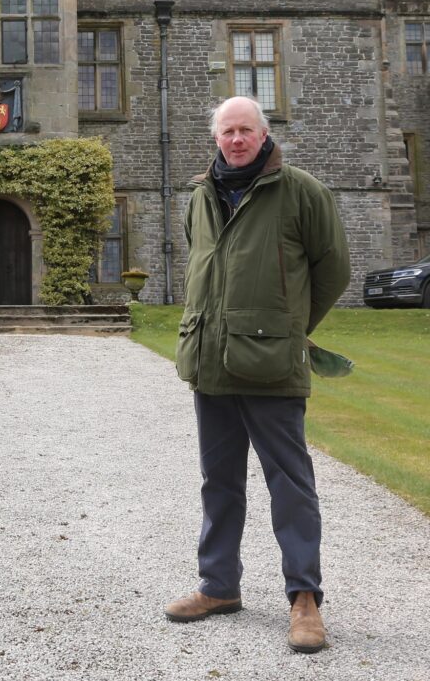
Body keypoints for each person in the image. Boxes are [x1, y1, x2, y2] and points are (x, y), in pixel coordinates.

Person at [165, 97, 350, 653]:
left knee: (289, 486)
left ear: (264, 134)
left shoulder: (302, 191)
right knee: (218, 483)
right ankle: (219, 586)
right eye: (228, 131)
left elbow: (333, 269)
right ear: (217, 137)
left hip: (272, 368)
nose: (237, 139)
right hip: (210, 363)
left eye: (247, 130)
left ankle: (304, 599)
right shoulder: (199, 196)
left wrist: (287, 330)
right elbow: (201, 262)